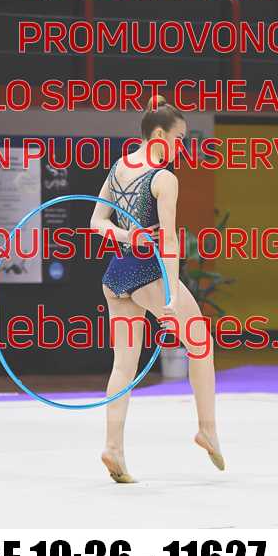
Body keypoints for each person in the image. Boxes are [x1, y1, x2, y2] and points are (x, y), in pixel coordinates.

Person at [90, 96, 224, 483]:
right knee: (200, 341)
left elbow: (97, 222)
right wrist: (170, 296)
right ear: (160, 135)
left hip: (116, 276)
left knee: (123, 366)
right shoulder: (164, 178)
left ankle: (113, 448)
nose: (182, 147)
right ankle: (207, 429)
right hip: (148, 273)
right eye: (180, 139)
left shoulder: (119, 168)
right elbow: (168, 241)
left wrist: (126, 236)